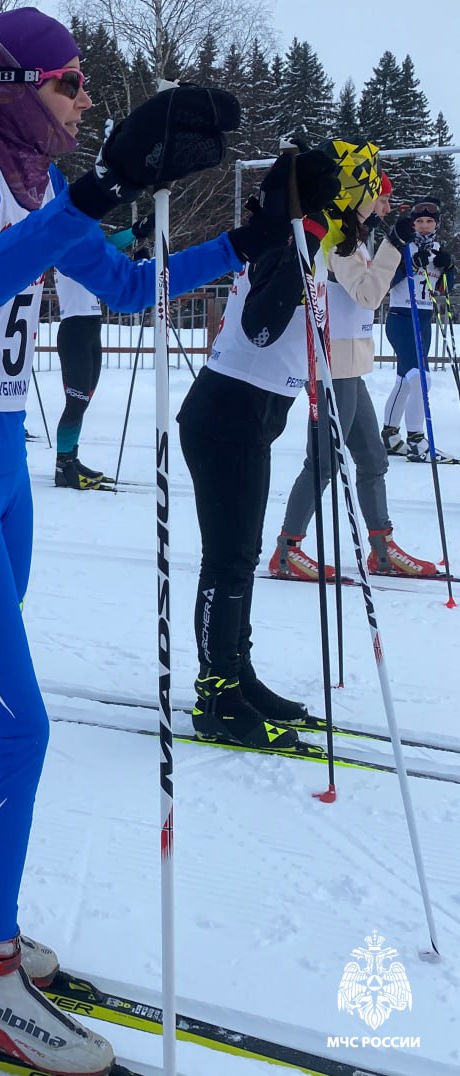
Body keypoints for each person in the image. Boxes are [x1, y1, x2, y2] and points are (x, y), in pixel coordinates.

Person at [0, 8, 325, 1071]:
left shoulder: (38, 188)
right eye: (70, 82)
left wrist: (250, 237)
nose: (86, 100)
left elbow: (129, 286)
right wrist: (95, 192)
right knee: (18, 724)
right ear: (11, 83)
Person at [177, 139, 342, 751]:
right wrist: (299, 272)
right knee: (227, 559)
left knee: (241, 555)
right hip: (228, 413)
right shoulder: (285, 241)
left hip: (254, 412)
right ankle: (216, 693)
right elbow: (261, 326)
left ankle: (238, 675)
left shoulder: (306, 238)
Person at [271, 151, 439, 580]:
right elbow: (367, 294)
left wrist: (394, 250)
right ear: (361, 196)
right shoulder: (338, 239)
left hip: (351, 364)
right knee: (324, 463)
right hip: (332, 364)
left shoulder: (356, 238)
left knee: (373, 456)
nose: (386, 206)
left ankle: (381, 547)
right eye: (380, 197)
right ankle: (288, 548)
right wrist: (393, 247)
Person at [51, 215, 152, 488]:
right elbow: (105, 248)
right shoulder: (65, 250)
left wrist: (137, 232)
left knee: (83, 401)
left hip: (91, 329)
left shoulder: (89, 251)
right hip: (74, 331)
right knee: (75, 402)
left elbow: (106, 247)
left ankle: (71, 457)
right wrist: (131, 242)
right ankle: (64, 467)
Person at [380, 200, 455, 461]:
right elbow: (386, 281)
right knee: (421, 379)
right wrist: (410, 265)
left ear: (437, 225)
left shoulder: (438, 250)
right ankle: (416, 441)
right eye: (419, 222)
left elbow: (444, 290)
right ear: (412, 224)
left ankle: (390, 436)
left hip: (424, 320)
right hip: (401, 318)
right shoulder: (402, 248)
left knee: (404, 380)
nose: (424, 226)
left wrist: (449, 268)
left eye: (429, 222)